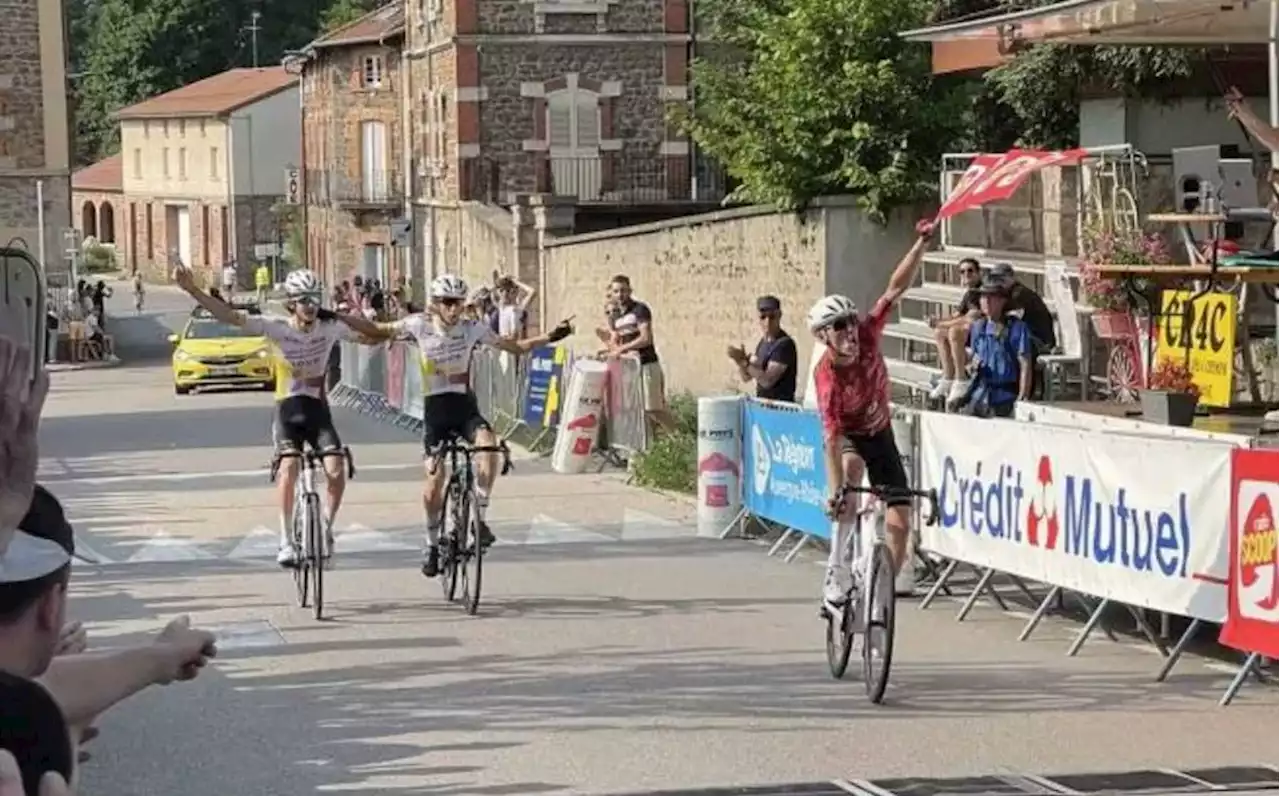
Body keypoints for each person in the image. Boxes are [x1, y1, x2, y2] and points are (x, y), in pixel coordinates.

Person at [329, 274, 573, 577]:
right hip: (436, 412)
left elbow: (515, 347)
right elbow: (377, 330)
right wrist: (339, 316)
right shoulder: (417, 325)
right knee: (434, 481)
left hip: (464, 407)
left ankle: (478, 519)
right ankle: (432, 543)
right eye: (448, 303)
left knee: (489, 445)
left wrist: (551, 336)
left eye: (458, 302)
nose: (454, 309)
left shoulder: (472, 328)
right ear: (435, 303)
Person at [173, 266, 366, 568]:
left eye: (315, 298)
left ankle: (325, 528)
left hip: (318, 412)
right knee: (288, 467)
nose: (311, 305)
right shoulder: (276, 327)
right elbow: (230, 316)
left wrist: (412, 330)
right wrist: (193, 291)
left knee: (336, 468)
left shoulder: (329, 327)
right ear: (291, 303)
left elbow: (374, 334)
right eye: (304, 300)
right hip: (287, 411)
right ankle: (286, 539)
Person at [809, 218, 935, 605]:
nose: (849, 331)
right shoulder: (826, 376)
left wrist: (921, 245)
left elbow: (894, 289)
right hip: (847, 433)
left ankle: (881, 591)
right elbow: (830, 440)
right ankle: (836, 568)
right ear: (823, 336)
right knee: (849, 476)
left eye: (849, 321)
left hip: (879, 430)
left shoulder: (867, 333)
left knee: (901, 514)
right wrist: (834, 492)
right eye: (838, 327)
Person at [600, 275, 677, 433]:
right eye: (616, 291)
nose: (620, 295)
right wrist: (611, 348)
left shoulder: (640, 310)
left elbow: (646, 338)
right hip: (630, 368)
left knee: (653, 408)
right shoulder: (616, 316)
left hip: (646, 364)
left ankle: (680, 439)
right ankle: (651, 448)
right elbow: (616, 341)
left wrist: (622, 349)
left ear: (630, 291)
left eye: (623, 290)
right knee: (638, 410)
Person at [955, 275, 1032, 418]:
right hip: (980, 393)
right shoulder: (978, 327)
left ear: (1003, 301)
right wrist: (968, 363)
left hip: (1006, 396)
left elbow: (1025, 363)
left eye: (992, 297)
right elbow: (973, 357)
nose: (986, 301)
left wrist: (1023, 397)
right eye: (983, 297)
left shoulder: (1017, 328)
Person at [928, 257, 983, 404]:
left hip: (982, 338)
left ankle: (961, 378)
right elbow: (956, 315)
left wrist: (942, 323)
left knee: (954, 331)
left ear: (979, 273)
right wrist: (938, 322)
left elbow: (968, 319)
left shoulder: (982, 292)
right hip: (969, 338)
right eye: (962, 271)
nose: (966, 274)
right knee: (939, 332)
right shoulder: (969, 294)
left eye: (970, 271)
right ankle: (948, 375)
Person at [727, 295, 798, 403]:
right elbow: (747, 378)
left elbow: (767, 381)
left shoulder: (784, 345)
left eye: (772, 317)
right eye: (763, 317)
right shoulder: (762, 343)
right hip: (764, 406)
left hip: (781, 411)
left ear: (779, 316)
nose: (767, 322)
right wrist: (740, 363)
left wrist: (745, 363)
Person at [492, 272, 535, 339]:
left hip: (513, 346)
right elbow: (494, 293)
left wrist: (516, 282)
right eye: (501, 291)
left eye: (508, 291)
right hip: (504, 346)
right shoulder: (502, 308)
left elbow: (532, 292)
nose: (503, 293)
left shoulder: (517, 309)